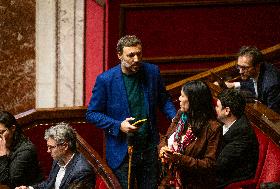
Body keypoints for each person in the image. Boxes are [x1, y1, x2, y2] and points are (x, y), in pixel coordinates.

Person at [86, 35, 177, 188]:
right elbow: (92, 114)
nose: (136, 59)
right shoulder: (106, 80)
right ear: (119, 55)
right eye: (131, 55)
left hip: (149, 149)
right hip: (122, 152)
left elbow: (164, 100)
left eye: (139, 54)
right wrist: (118, 125)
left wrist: (175, 118)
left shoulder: (152, 72)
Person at [158, 80, 222, 188]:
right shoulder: (181, 114)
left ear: (194, 100)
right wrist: (163, 149)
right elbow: (166, 138)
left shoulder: (213, 128)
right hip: (170, 178)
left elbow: (209, 164)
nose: (179, 99)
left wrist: (179, 159)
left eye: (183, 96)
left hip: (194, 183)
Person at [16, 122, 95, 189]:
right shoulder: (58, 160)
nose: (48, 151)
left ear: (65, 146)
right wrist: (29, 188)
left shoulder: (82, 171)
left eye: (51, 147)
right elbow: (49, 184)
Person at [215, 89, 259, 188]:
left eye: (217, 106)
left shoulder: (242, 133)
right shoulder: (228, 122)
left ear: (227, 111)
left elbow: (220, 164)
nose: (215, 108)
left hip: (229, 179)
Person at [224, 46, 280, 116]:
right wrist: (234, 84)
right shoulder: (257, 70)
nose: (240, 71)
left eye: (244, 68)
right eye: (238, 66)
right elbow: (254, 83)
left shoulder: (272, 84)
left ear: (257, 66)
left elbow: (274, 117)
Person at [0, 111, 43, 188]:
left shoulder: (26, 150)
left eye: (2, 132)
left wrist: (3, 155)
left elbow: (8, 182)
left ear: (13, 128)